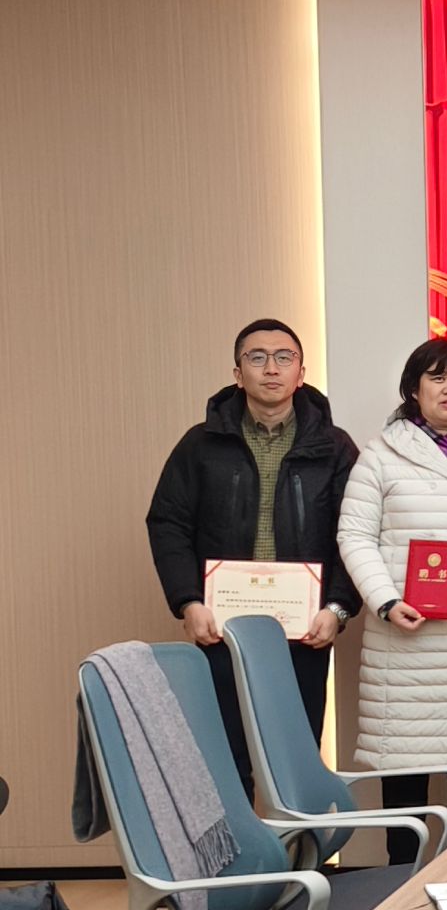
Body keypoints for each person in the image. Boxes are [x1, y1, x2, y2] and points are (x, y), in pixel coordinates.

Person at [145, 318, 360, 789]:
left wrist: (338, 608)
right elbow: (168, 523)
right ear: (237, 374)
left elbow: (357, 533)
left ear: (301, 373)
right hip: (222, 627)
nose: (271, 368)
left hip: (306, 629)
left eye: (284, 357)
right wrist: (188, 601)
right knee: (226, 760)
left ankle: (296, 840)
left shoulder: (334, 447)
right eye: (257, 358)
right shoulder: (201, 445)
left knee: (296, 761)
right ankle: (240, 841)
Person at [336, 339, 447, 863]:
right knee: (405, 789)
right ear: (413, 389)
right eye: (438, 377)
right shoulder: (379, 455)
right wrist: (386, 600)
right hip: (403, 644)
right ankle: (399, 889)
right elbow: (354, 535)